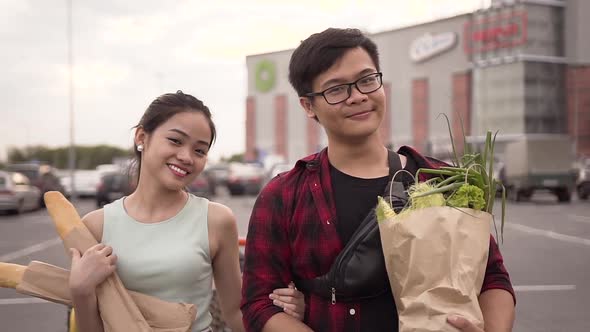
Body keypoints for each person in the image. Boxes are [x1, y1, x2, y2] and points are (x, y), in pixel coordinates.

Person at [240, 28, 516, 332]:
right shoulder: (284, 195)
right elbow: (258, 303)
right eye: (336, 89)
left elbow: (492, 276)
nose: (358, 96)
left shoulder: (439, 180)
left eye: (367, 80)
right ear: (308, 106)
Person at [68, 91, 305, 332]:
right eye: (175, 141)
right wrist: (80, 290)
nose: (186, 157)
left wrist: (282, 317)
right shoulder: (96, 225)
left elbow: (236, 312)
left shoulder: (216, 219)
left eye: (199, 151)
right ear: (142, 137)